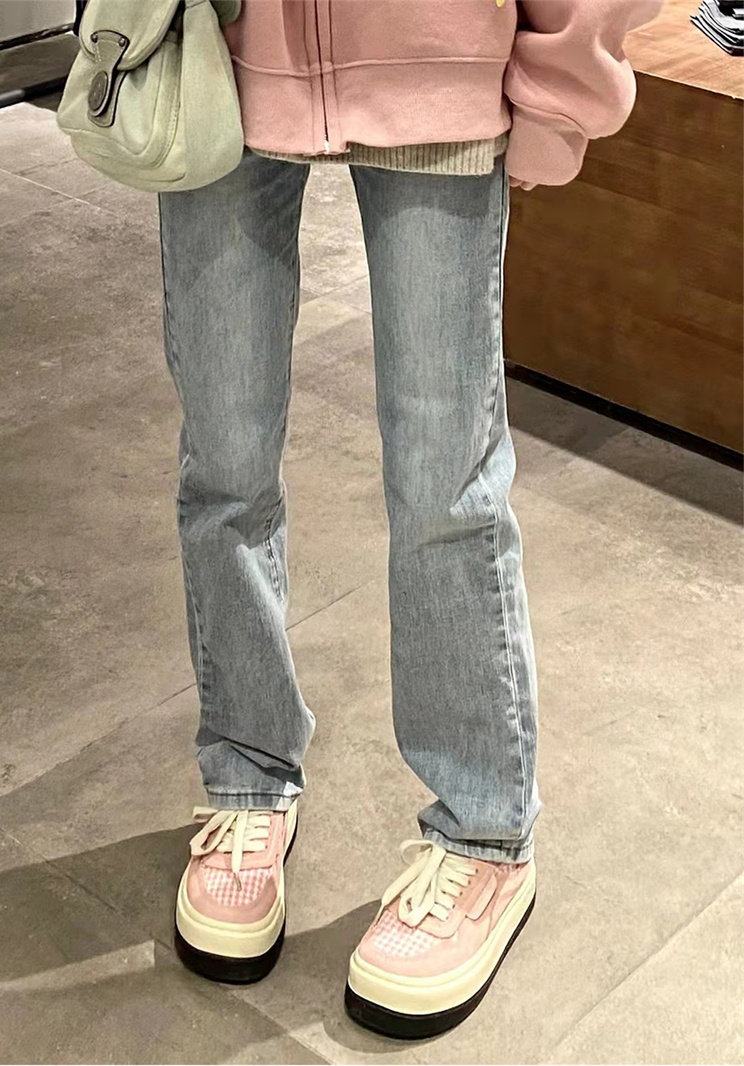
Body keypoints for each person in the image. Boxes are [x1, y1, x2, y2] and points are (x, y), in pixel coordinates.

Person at [159, 0, 662, 1040]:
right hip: (217, 61)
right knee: (223, 464)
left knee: (443, 486)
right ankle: (245, 773)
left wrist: (558, 86)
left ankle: (484, 833)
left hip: (439, 59)